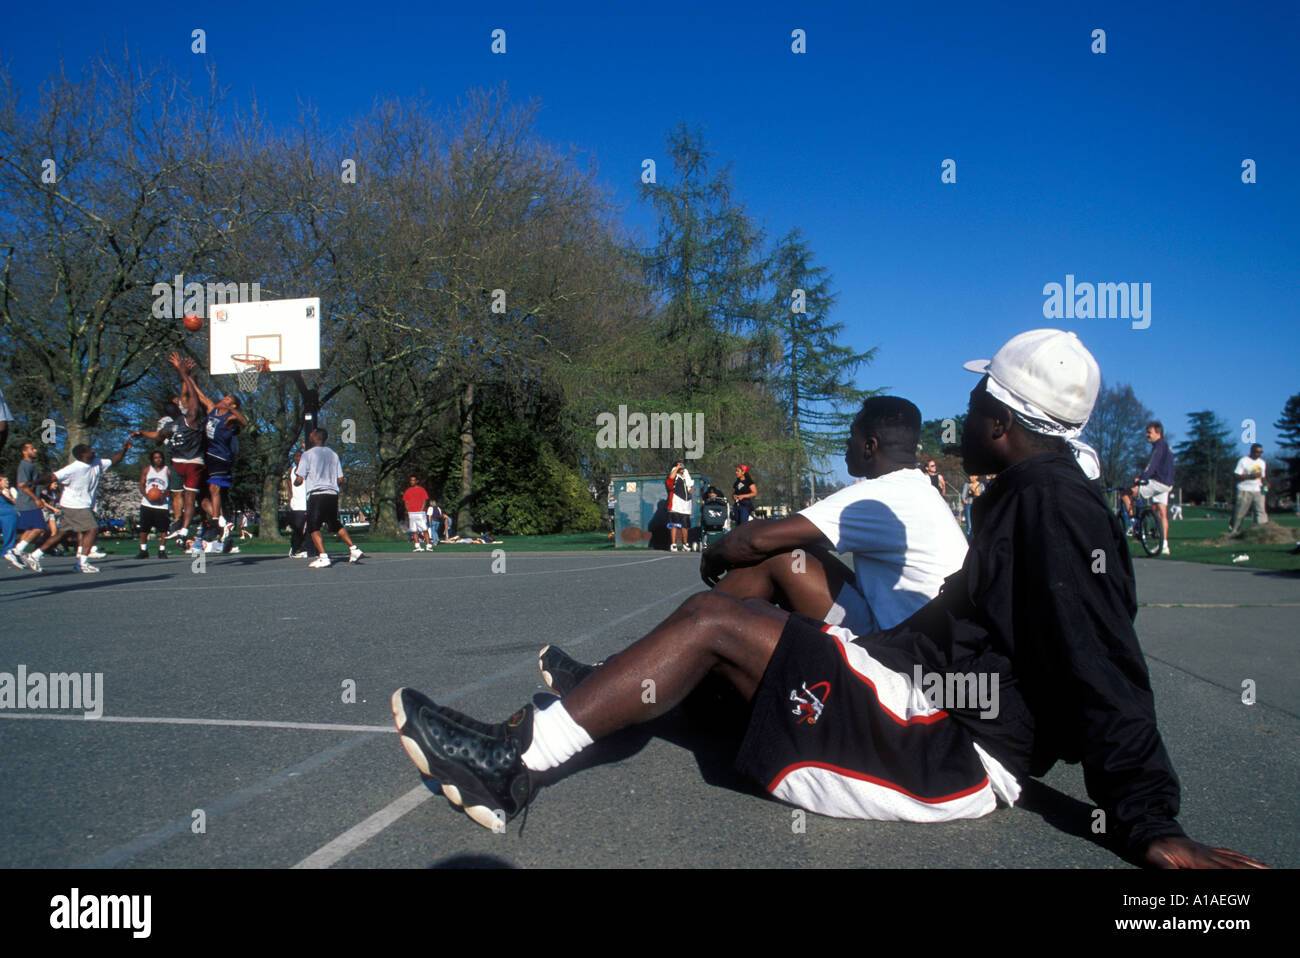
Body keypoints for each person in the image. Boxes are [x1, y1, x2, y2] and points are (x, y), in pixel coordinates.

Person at [390, 328, 1265, 870]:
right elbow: (952, 626)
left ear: (1000, 423)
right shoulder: (1023, 500)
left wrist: (1148, 822)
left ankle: (512, 767)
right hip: (929, 705)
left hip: (951, 752)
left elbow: (1104, 659)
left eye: (972, 399)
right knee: (749, 639)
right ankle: (621, 698)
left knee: (714, 618)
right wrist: (855, 655)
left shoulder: (1052, 509)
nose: (956, 415)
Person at [701, 396, 968, 636]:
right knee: (798, 548)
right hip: (929, 639)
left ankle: (699, 636)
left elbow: (757, 541)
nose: (846, 443)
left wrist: (713, 554)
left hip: (901, 649)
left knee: (782, 556)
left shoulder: (881, 494)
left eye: (852, 434)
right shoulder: (918, 489)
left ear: (869, 446)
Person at [50, 437, 134, 573]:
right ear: (83, 455)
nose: (93, 450)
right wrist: (33, 485)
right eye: (90, 450)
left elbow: (114, 460)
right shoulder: (74, 468)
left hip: (82, 504)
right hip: (74, 504)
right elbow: (54, 476)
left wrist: (124, 449)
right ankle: (82, 563)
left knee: (62, 533)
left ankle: (33, 554)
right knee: (93, 529)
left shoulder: (97, 463)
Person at [294, 428, 364, 569]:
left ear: (314, 437)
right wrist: (330, 484)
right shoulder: (333, 454)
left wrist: (297, 482)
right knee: (333, 523)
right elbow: (340, 478)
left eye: (311, 434)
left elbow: (300, 478)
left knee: (313, 525)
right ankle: (354, 548)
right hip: (332, 493)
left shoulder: (307, 454)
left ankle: (323, 557)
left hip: (317, 493)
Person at [1122, 421, 1175, 555]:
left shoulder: (1158, 446)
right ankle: (1164, 546)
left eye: (1149, 432)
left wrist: (1142, 477)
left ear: (1158, 433)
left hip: (1157, 482)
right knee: (1162, 513)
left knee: (1125, 494)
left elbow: (1152, 465)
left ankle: (1133, 524)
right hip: (1167, 484)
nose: (1146, 435)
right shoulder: (1167, 446)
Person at [5, 441, 59, 572]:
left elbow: (32, 484)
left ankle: (16, 552)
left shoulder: (31, 465)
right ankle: (16, 551)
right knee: (39, 528)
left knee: (31, 529)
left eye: (35, 448)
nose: (35, 450)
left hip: (28, 501)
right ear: (24, 451)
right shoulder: (25, 465)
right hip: (27, 501)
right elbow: (22, 485)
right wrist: (36, 499)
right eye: (32, 448)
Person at [134, 450, 171, 559]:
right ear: (152, 459)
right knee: (144, 529)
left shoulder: (167, 471)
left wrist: (165, 493)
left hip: (162, 505)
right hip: (147, 504)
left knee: (163, 530)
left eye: (160, 457)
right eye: (155, 457)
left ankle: (162, 550)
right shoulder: (147, 469)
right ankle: (143, 550)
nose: (158, 459)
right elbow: (141, 484)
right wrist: (146, 495)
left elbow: (171, 487)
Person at [1229, 444, 1268, 534]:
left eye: (1261, 452)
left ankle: (1262, 532)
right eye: (1257, 452)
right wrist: (1250, 476)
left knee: (1261, 512)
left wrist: (1266, 484)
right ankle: (1233, 532)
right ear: (1252, 451)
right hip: (1244, 490)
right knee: (1239, 513)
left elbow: (1263, 477)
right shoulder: (1243, 461)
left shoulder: (1262, 462)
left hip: (1258, 490)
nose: (1259, 454)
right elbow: (1236, 475)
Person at [666, 460, 693, 552]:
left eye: (682, 466)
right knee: (674, 525)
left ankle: (685, 544)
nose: (682, 467)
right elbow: (670, 479)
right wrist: (676, 468)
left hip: (686, 505)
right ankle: (673, 544)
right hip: (676, 505)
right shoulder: (674, 476)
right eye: (679, 466)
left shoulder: (686, 478)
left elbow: (690, 488)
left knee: (685, 526)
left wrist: (690, 491)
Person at [287, 448, 310, 558]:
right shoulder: (291, 470)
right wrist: (291, 498)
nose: (297, 458)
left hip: (306, 503)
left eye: (300, 456)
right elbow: (289, 485)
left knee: (308, 528)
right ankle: (295, 548)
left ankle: (304, 548)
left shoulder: (307, 470)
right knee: (298, 527)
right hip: (296, 504)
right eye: (296, 456)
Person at [403, 475, 432, 551]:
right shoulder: (408, 491)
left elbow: (424, 500)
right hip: (411, 513)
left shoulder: (421, 490)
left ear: (416, 481)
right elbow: (406, 502)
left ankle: (428, 545)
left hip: (420, 513)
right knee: (414, 530)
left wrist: (421, 510)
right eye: (411, 480)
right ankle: (417, 546)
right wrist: (409, 511)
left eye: (413, 480)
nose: (412, 482)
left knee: (424, 529)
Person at [0, 475, 18, 558]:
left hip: (9, 514)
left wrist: (8, 496)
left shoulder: (11, 490)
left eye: (7, 480)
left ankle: (7, 552)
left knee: (9, 534)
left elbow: (15, 501)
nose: (7, 482)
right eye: (5, 481)